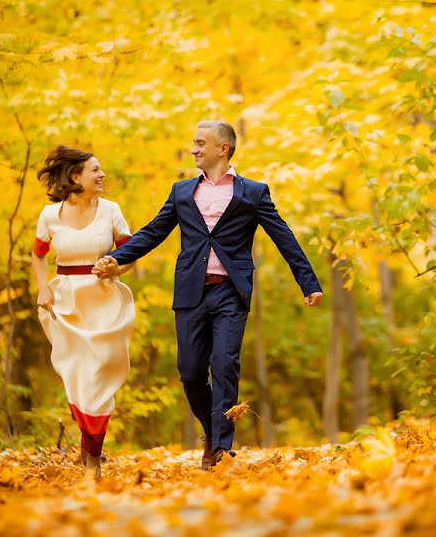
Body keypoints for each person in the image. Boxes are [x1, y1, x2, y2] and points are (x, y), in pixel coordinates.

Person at [95, 121, 322, 470]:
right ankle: (212, 431)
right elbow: (154, 232)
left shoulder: (253, 192)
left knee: (225, 364)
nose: (194, 149)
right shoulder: (181, 192)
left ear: (223, 148)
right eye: (193, 143)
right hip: (191, 292)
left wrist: (308, 283)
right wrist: (117, 257)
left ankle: (221, 450)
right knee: (189, 372)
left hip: (231, 292)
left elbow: (284, 237)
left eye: (201, 143)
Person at [31, 145, 136, 480]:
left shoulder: (111, 211)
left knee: (100, 380)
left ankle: (92, 455)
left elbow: (131, 251)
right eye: (95, 170)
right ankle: (92, 450)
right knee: (77, 379)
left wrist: (117, 269)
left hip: (104, 302)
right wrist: (42, 286)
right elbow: (38, 254)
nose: (102, 175)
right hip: (66, 305)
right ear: (75, 177)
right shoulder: (49, 216)